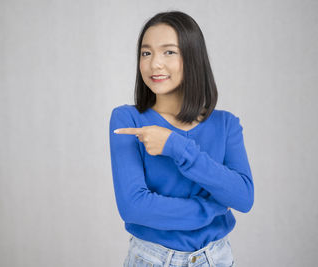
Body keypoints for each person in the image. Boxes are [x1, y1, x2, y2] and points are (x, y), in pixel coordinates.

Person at [109, 10, 254, 267]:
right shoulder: (127, 120)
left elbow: (243, 197)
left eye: (169, 52)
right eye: (146, 53)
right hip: (151, 259)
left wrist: (176, 147)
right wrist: (212, 208)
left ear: (193, 57)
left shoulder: (226, 124)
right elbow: (133, 207)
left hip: (216, 259)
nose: (155, 64)